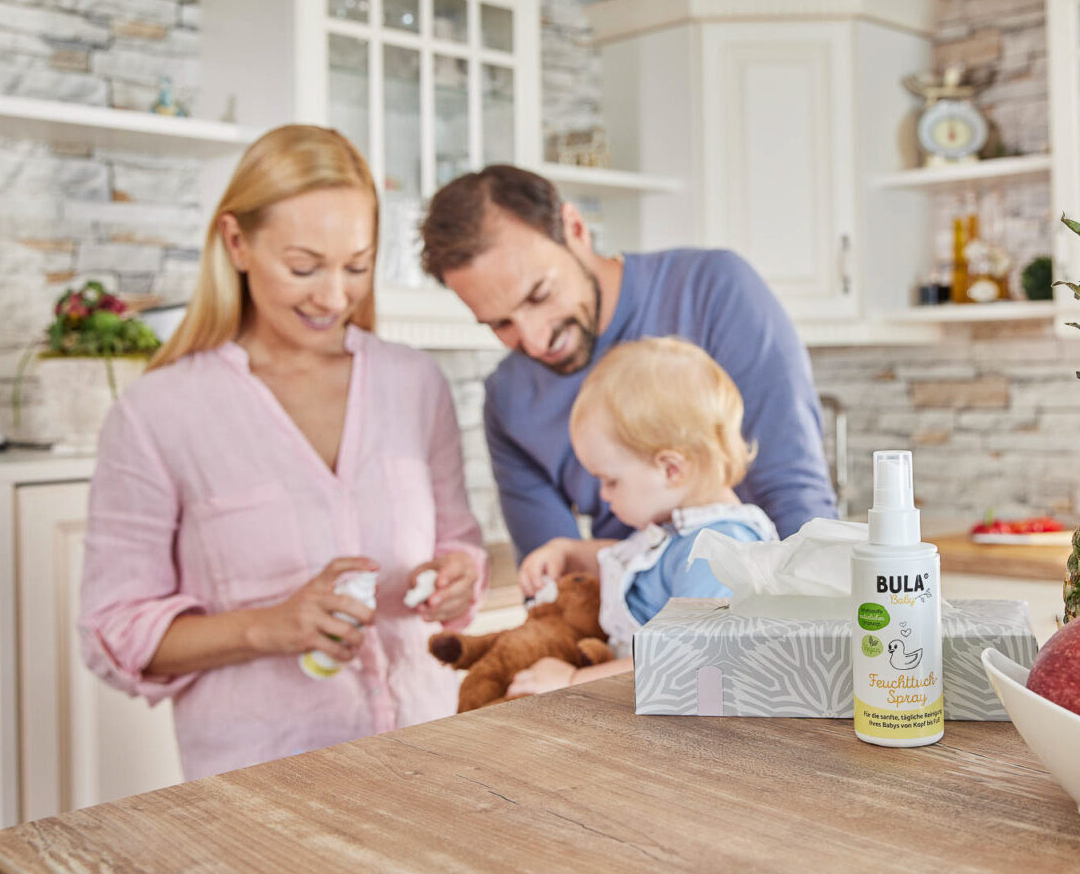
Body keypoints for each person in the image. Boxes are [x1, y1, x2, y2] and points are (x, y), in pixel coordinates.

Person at [79, 125, 488, 781]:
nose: (333, 295)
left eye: (356, 266)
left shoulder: (414, 383)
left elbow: (458, 541)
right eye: (304, 267)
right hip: (260, 786)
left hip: (426, 760)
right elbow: (114, 632)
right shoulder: (157, 413)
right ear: (236, 242)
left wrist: (458, 575)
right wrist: (270, 625)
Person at [419, 164, 836, 561]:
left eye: (539, 295)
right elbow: (556, 585)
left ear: (576, 229)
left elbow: (796, 499)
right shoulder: (510, 400)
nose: (535, 339)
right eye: (499, 323)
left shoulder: (712, 291)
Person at [509, 337, 776, 694]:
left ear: (670, 469)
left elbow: (694, 657)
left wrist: (574, 682)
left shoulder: (718, 552)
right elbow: (640, 560)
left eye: (610, 480)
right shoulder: (682, 534)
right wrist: (568, 552)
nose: (602, 496)